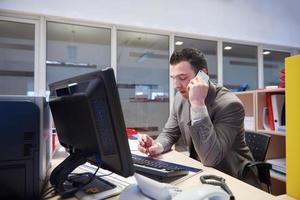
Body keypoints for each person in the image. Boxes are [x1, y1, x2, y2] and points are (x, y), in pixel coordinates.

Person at [138, 48, 259, 186]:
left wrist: (197, 104)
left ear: (202, 75)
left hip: (233, 179)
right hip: (201, 173)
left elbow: (211, 158)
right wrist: (157, 146)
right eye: (173, 78)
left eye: (182, 78)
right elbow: (170, 133)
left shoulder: (230, 105)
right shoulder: (180, 98)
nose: (176, 85)